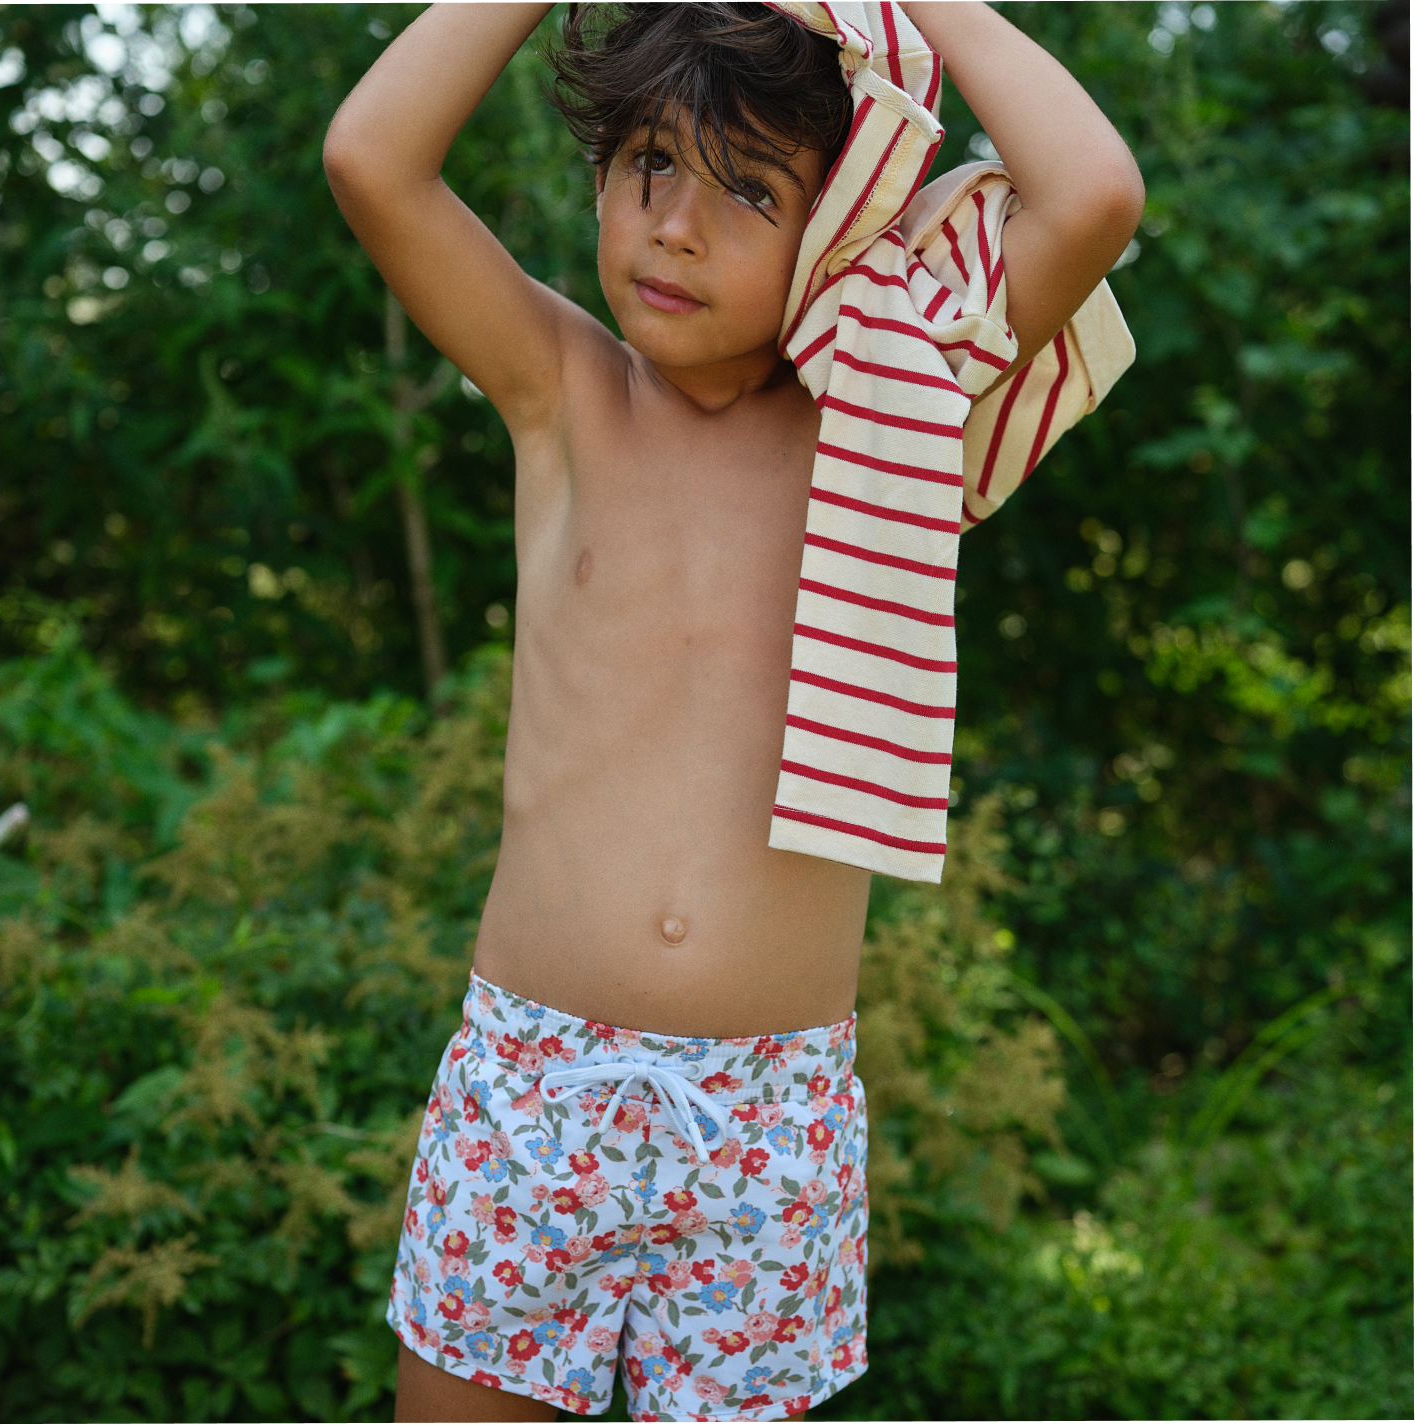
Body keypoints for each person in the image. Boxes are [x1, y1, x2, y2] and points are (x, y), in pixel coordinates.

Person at [323, 3, 1142, 1420]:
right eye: (648, 165)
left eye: (748, 187)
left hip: (771, 1118)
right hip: (534, 1083)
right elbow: (371, 159)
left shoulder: (896, 423)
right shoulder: (562, 390)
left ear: (832, 229)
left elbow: (1095, 193)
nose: (678, 227)